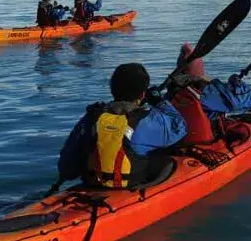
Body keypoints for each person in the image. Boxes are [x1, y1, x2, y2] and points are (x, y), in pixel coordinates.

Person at [56, 63, 187, 189]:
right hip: (131, 184)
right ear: (142, 94)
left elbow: (67, 169)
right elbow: (180, 128)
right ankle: (145, 191)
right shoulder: (146, 120)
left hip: (92, 184)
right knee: (169, 161)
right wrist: (159, 101)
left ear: (112, 90)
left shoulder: (90, 118)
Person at [168, 43, 251, 146]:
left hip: (182, 140)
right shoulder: (205, 90)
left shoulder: (172, 89)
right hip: (208, 141)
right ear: (200, 69)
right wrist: (235, 82)